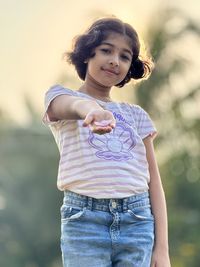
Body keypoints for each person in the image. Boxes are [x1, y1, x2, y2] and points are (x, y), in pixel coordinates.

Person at [43, 17, 171, 267]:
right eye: (106, 50)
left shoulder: (136, 115)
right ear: (87, 54)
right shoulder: (60, 97)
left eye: (125, 56)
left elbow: (153, 182)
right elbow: (72, 105)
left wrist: (162, 249)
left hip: (137, 221)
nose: (115, 60)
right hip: (84, 222)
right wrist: (91, 110)